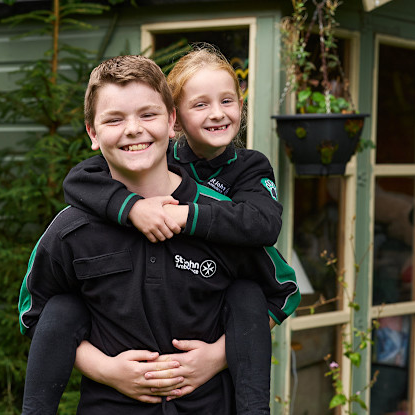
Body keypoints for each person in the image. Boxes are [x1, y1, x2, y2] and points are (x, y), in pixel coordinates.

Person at [19, 54, 299, 414]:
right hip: (109, 406)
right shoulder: (73, 229)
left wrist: (217, 356)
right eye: (115, 119)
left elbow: (281, 291)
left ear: (171, 122)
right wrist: (105, 369)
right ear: (93, 132)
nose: (133, 129)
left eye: (147, 115)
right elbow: (35, 312)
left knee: (246, 294)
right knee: (63, 307)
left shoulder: (219, 217)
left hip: (208, 405)